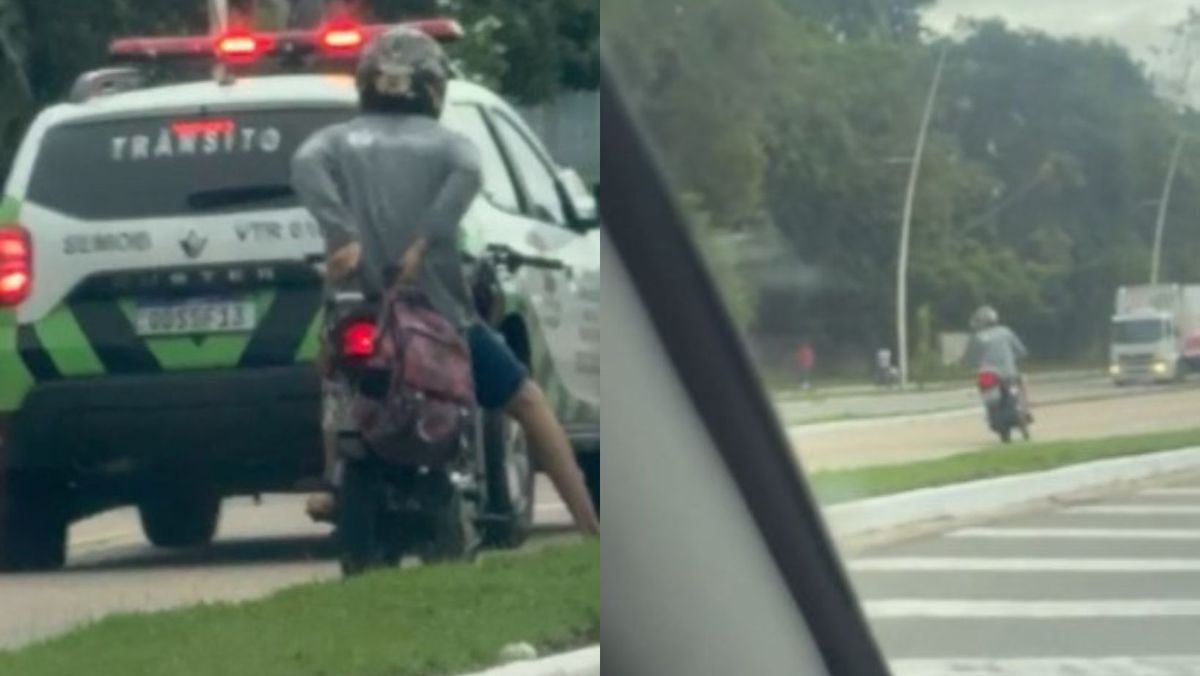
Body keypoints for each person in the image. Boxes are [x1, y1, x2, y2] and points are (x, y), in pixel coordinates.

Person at [291, 27, 599, 537]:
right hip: (439, 316)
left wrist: (341, 233)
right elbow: (467, 177)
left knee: (335, 379)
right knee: (527, 401)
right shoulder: (450, 145)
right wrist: (424, 241)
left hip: (358, 310)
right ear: (433, 89)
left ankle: (332, 480)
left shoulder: (334, 142)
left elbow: (304, 165)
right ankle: (589, 526)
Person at [963, 305, 1032, 419]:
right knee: (1020, 382)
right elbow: (1020, 350)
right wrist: (1019, 357)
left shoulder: (977, 337)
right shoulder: (1005, 331)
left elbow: (969, 359)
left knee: (984, 388)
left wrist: (968, 365)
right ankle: (1025, 410)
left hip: (987, 374)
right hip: (1008, 372)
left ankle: (991, 413)